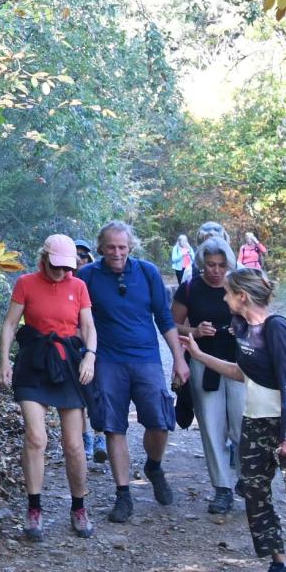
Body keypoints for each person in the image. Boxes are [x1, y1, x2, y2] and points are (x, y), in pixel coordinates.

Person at [183, 268, 286, 572]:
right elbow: (242, 373)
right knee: (255, 495)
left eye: (228, 293)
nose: (224, 298)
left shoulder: (277, 329)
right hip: (254, 424)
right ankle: (279, 561)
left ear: (242, 296)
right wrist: (198, 355)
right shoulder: (243, 328)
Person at [77, 221, 189, 523]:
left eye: (122, 247)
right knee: (114, 427)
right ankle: (123, 494)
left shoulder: (147, 272)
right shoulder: (86, 276)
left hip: (146, 358)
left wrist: (179, 358)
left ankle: (154, 466)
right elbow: (78, 320)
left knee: (160, 422)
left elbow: (164, 317)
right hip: (107, 360)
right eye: (111, 247)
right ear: (100, 247)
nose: (116, 253)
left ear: (131, 247)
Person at [0, 235, 99, 540]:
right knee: (36, 437)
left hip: (68, 364)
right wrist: (4, 360)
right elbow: (10, 324)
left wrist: (90, 357)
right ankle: (34, 508)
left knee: (73, 444)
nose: (61, 272)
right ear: (43, 258)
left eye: (66, 267)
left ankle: (79, 507)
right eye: (56, 266)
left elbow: (88, 327)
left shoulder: (78, 286)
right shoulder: (26, 283)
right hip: (34, 363)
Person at [172, 237, 246, 514]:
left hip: (240, 364)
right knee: (212, 427)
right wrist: (195, 332)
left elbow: (261, 318)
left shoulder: (240, 285)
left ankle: (246, 479)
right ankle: (222, 488)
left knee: (242, 424)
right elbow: (173, 325)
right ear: (202, 264)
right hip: (204, 364)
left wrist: (242, 329)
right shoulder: (190, 288)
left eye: (221, 266)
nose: (215, 271)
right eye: (210, 266)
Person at [75, 238, 108, 465]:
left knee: (98, 391)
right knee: (78, 394)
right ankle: (85, 438)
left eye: (84, 256)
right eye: (76, 255)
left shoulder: (95, 281)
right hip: (71, 346)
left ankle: (99, 438)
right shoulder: (60, 283)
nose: (79, 260)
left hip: (98, 346)